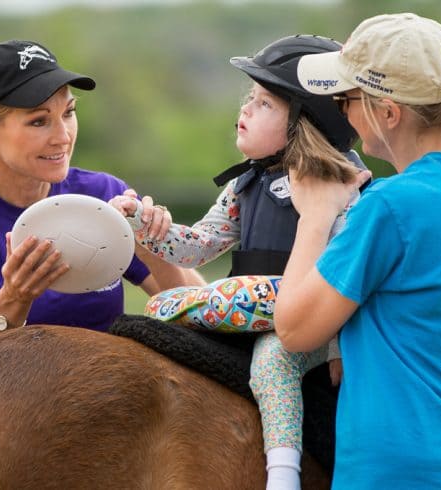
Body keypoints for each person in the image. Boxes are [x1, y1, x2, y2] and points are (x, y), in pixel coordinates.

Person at [275, 13, 441, 488]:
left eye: (344, 98)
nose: (341, 111)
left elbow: (293, 328)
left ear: (388, 113)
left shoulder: (391, 205)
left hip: (398, 475)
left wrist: (314, 214)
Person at [113, 35, 364, 490]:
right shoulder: (243, 187)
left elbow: (349, 273)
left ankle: (282, 477)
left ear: (305, 122)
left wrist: (341, 345)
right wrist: (147, 228)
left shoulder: (340, 186)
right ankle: (201, 304)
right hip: (251, 310)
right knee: (163, 311)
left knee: (272, 360)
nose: (245, 109)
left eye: (264, 103)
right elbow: (196, 247)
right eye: (250, 98)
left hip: (307, 321)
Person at [0, 40, 198, 365]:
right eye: (39, 121)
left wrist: (152, 247)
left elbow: (200, 315)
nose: (62, 135)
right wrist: (13, 300)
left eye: (69, 113)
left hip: (110, 405)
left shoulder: (103, 195)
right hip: (11, 412)